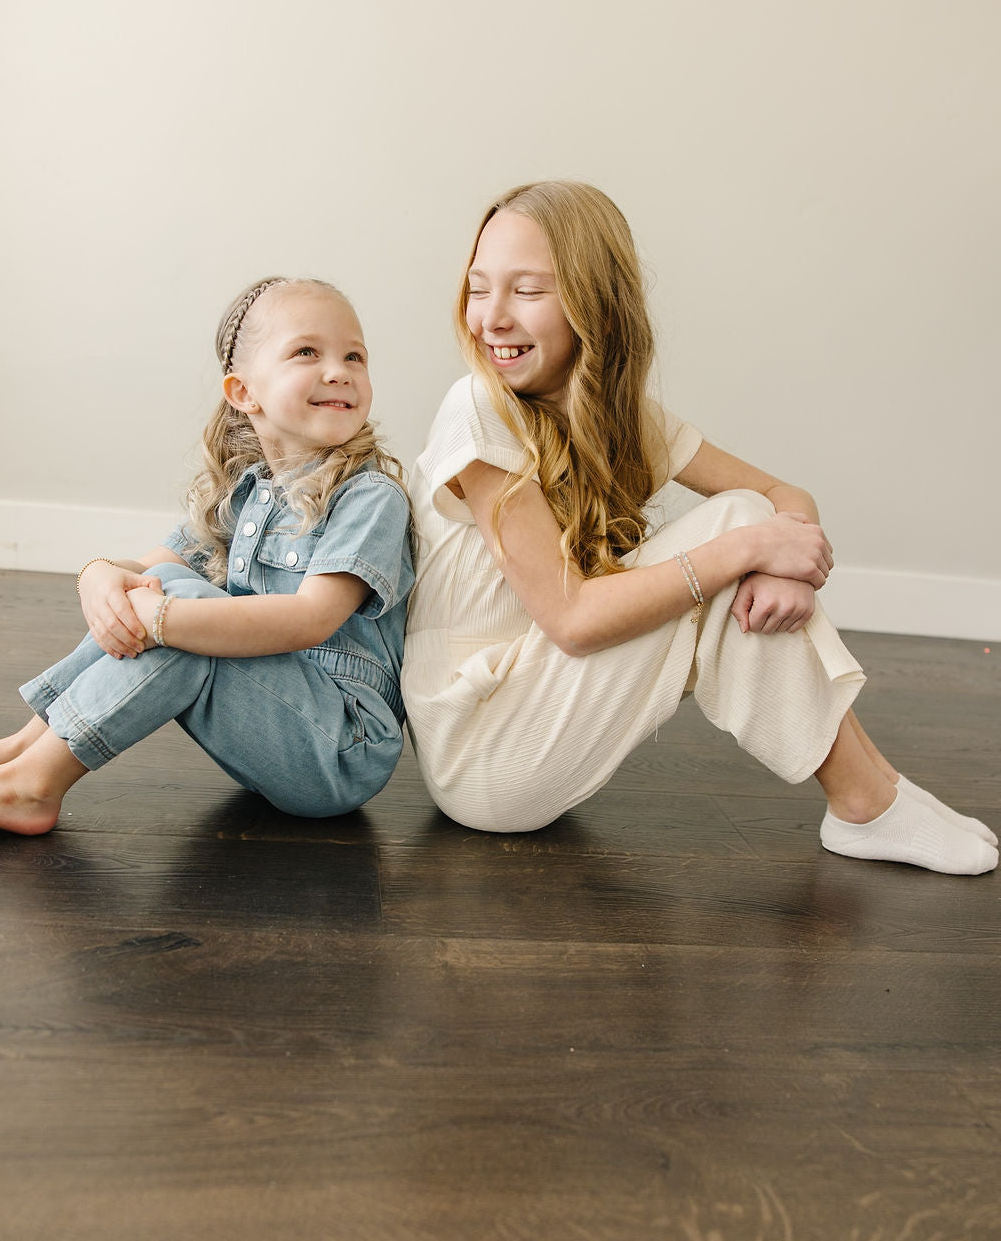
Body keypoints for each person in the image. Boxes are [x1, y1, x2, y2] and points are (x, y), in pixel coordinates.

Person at [402, 181, 997, 875]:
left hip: (536, 710)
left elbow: (783, 494)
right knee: (741, 528)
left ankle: (876, 791)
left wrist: (787, 572)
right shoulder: (477, 406)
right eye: (478, 289)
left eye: (527, 290)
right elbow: (572, 620)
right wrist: (752, 549)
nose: (491, 318)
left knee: (749, 518)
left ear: (595, 302)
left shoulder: (618, 418)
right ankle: (866, 803)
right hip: (483, 754)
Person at [0, 276, 413, 834]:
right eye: (307, 351)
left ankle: (32, 787)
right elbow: (147, 568)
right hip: (276, 724)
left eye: (355, 356)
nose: (339, 371)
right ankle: (25, 749)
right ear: (244, 393)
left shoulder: (370, 496)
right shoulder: (250, 493)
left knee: (178, 609)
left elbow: (311, 618)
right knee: (164, 579)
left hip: (341, 747)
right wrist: (98, 576)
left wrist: (163, 619)